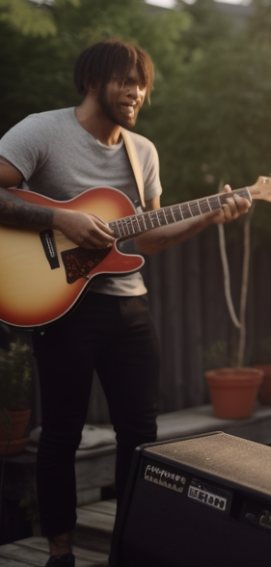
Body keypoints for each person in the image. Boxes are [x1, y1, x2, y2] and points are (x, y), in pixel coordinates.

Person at [0, 39, 251, 567]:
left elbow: (150, 237)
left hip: (129, 308)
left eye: (142, 83)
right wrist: (59, 219)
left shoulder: (143, 152)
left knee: (141, 435)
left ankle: (131, 546)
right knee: (62, 434)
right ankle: (60, 550)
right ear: (93, 81)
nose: (135, 91)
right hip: (62, 308)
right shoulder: (41, 131)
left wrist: (210, 215)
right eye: (125, 80)